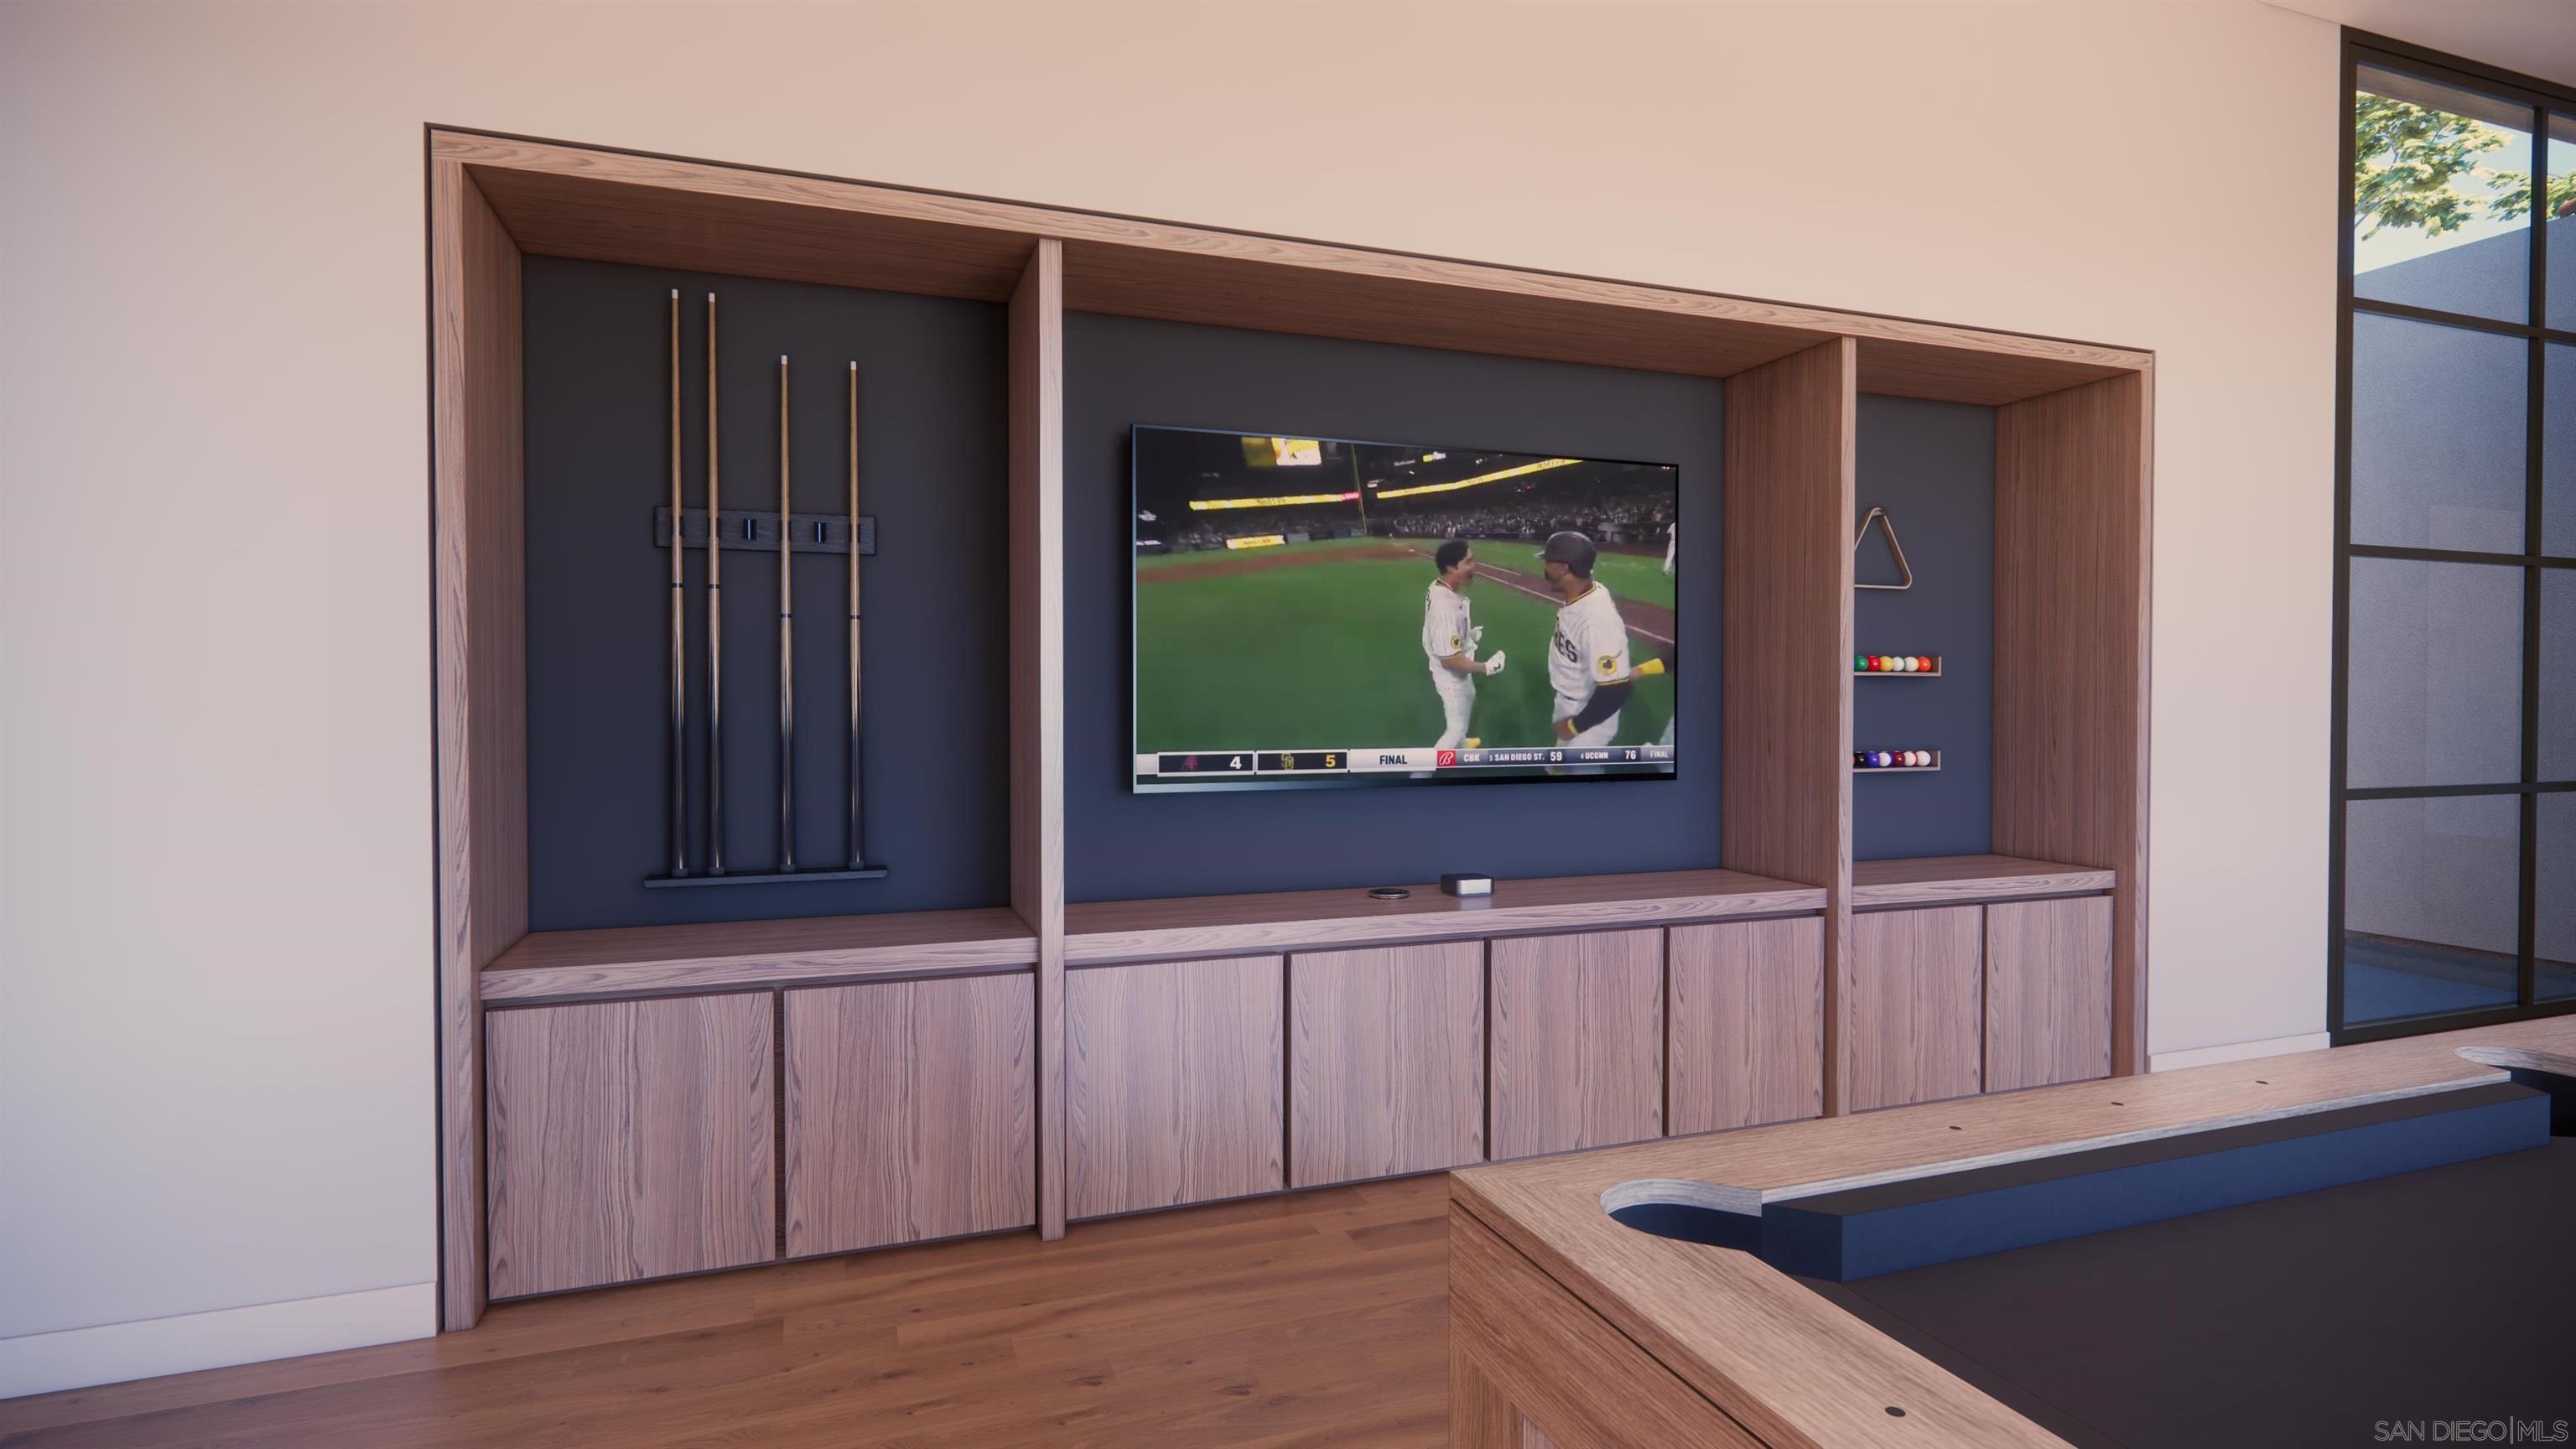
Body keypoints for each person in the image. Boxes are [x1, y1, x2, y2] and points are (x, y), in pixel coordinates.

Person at [1538, 531, 1631, 747]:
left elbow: (1618, 690)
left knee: (1581, 772)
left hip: (1588, 716)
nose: (1545, 568)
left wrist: (1575, 726)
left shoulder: (1596, 621)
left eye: (1548, 563)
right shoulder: (1583, 594)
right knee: (1559, 766)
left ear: (1563, 568)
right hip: (1569, 702)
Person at [1422, 540, 1504, 749]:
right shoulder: (1445, 608)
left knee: (1470, 694)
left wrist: (1467, 636)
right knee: (1455, 728)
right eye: (1468, 561)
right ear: (1451, 567)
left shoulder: (1440, 586)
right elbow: (1450, 660)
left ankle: (1461, 743)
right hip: (1449, 675)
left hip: (1455, 667)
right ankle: (1422, 773)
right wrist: (1486, 668)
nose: (1474, 566)